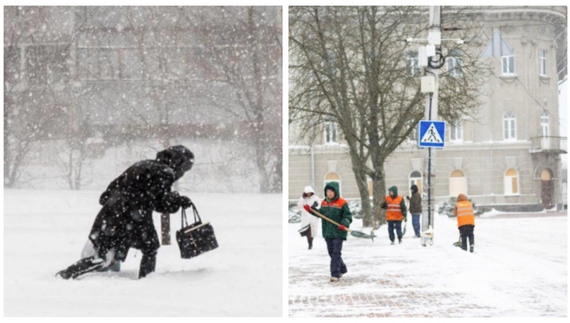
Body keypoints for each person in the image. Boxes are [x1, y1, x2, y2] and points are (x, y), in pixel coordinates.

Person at [56, 145, 195, 280]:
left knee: (107, 250)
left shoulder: (142, 164)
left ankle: (70, 272)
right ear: (178, 163)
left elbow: (108, 193)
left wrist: (117, 204)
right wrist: (178, 201)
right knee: (150, 248)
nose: (182, 173)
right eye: (184, 169)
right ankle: (147, 280)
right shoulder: (165, 172)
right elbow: (159, 202)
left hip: (110, 212)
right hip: (135, 214)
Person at [304, 182, 352, 282]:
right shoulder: (324, 202)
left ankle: (335, 274)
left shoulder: (342, 203)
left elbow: (347, 216)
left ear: (336, 192)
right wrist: (311, 210)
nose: (329, 193)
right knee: (331, 252)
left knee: (336, 253)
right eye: (327, 191)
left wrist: (344, 223)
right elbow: (321, 214)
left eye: (331, 191)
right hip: (328, 232)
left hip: (339, 231)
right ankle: (342, 268)